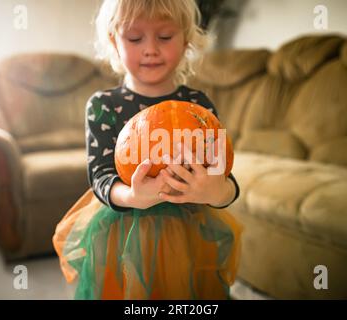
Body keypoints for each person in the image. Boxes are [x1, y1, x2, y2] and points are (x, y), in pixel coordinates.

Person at [53, 0, 243, 300]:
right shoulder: (104, 107)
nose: (151, 48)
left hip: (188, 230)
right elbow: (100, 176)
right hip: (123, 231)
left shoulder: (199, 106)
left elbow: (226, 179)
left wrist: (214, 192)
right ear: (114, 42)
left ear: (186, 40)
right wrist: (132, 196)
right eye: (135, 38)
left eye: (165, 37)